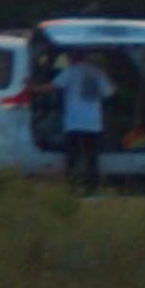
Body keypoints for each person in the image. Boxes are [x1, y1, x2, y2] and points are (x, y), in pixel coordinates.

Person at [53, 45, 113, 194]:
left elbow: (53, 87)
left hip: (74, 122)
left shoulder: (70, 72)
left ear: (72, 57)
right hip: (93, 123)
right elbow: (109, 92)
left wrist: (31, 87)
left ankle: (71, 187)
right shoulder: (97, 73)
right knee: (92, 158)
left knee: (73, 157)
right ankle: (92, 188)